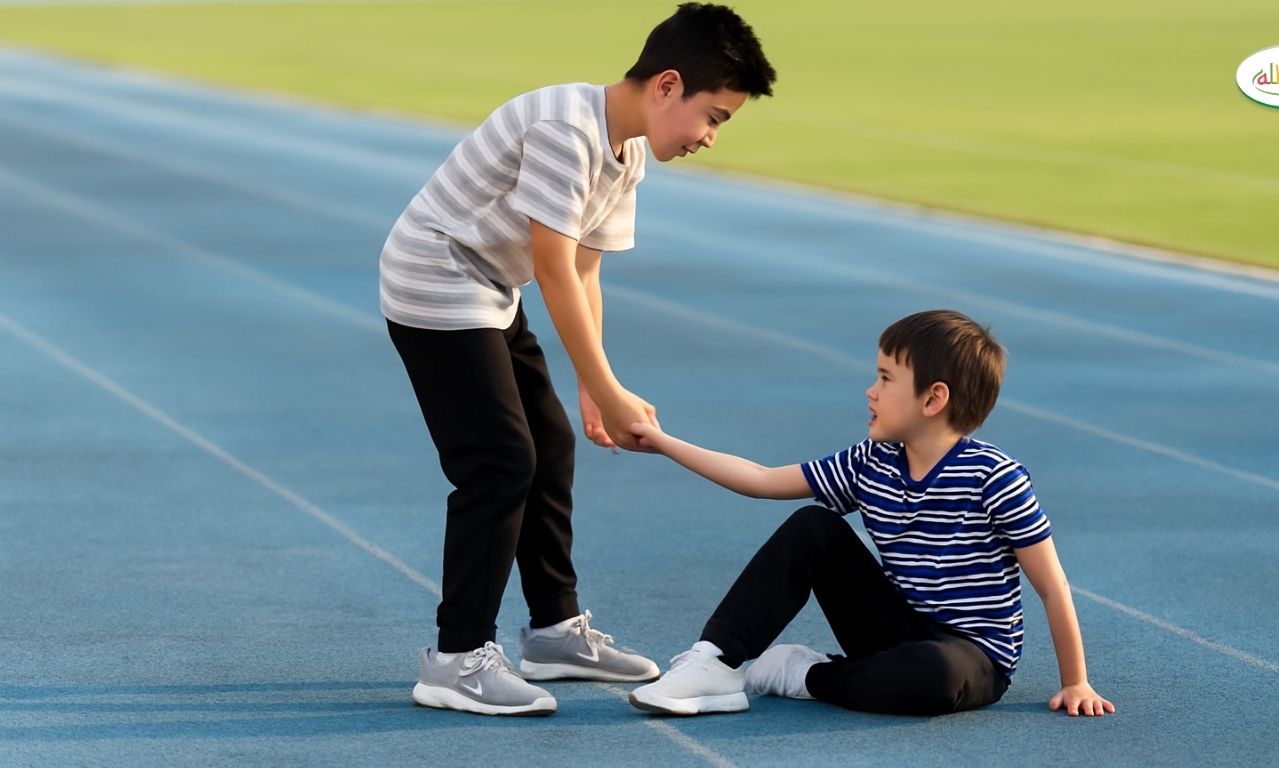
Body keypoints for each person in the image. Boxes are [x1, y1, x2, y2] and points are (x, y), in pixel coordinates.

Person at [379, 3, 776, 716]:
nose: (711, 137)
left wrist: (597, 386)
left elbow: (587, 271)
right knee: (499, 463)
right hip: (437, 275)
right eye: (713, 116)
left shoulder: (627, 153)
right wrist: (604, 385)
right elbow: (552, 267)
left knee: (551, 442)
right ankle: (456, 659)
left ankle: (553, 633)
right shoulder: (567, 130)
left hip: (489, 285)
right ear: (667, 86)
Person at [626, 310, 1116, 718]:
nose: (870, 391)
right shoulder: (871, 461)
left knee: (934, 676)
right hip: (890, 631)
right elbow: (760, 479)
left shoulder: (996, 477)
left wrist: (1076, 681)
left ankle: (806, 674)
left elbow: (1052, 586)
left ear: (933, 398)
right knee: (813, 526)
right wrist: (665, 443)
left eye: (885, 378)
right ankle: (715, 663)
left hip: (971, 657)